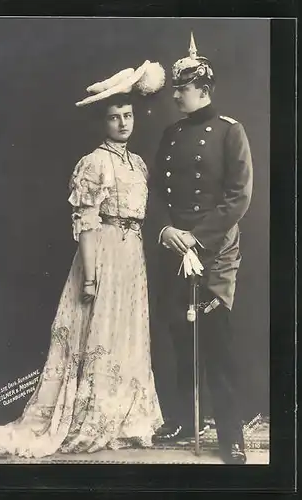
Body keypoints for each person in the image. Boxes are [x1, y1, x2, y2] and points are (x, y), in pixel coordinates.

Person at [0, 61, 166, 459]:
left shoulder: (135, 163)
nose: (122, 123)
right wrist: (89, 275)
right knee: (95, 331)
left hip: (131, 254)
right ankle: (89, 415)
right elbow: (85, 222)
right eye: (114, 117)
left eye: (127, 115)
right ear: (101, 123)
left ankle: (123, 419)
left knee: (125, 333)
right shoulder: (95, 163)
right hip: (101, 252)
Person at [149, 33, 253, 464]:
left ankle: (230, 434)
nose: (175, 95)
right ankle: (184, 420)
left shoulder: (231, 132)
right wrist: (165, 230)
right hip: (175, 246)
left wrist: (199, 237)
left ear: (203, 90)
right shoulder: (171, 134)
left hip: (213, 249)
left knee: (217, 342)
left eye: (182, 89)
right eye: (174, 87)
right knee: (178, 335)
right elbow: (153, 191)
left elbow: (239, 196)